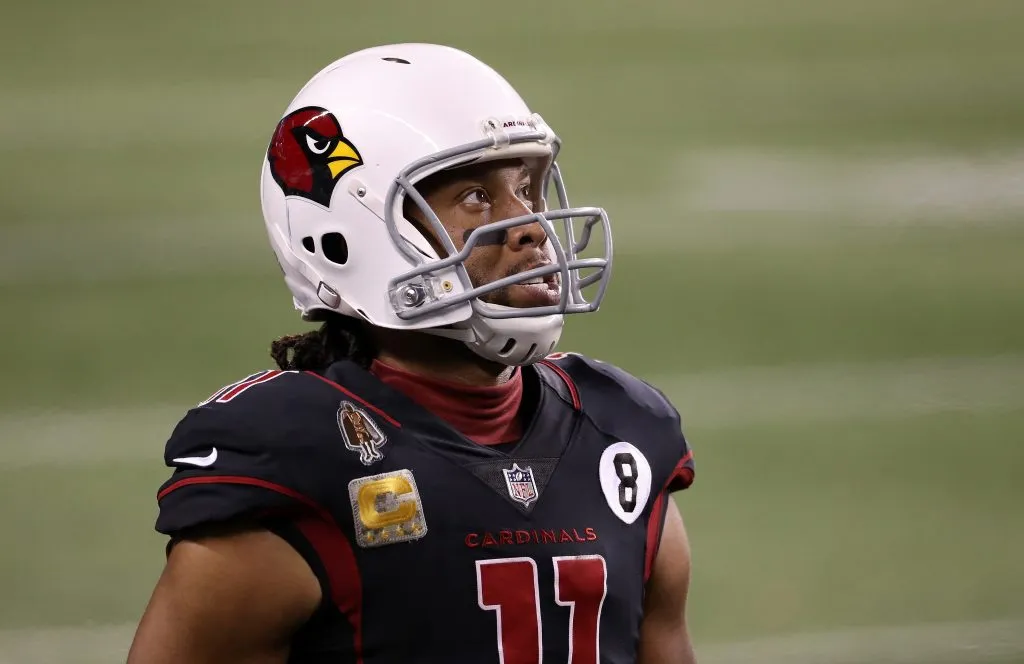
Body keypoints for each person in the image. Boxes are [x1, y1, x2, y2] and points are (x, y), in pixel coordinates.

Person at [127, 42, 697, 664]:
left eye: (527, 188)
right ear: (353, 231)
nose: (530, 225)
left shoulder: (620, 432)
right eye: (477, 198)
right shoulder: (294, 460)